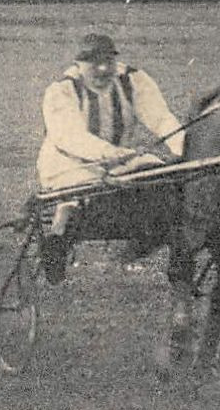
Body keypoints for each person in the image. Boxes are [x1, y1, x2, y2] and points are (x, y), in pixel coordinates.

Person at [35, 33, 185, 282]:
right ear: (79, 65)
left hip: (120, 161)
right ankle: (57, 241)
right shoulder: (62, 90)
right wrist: (111, 154)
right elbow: (70, 137)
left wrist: (185, 148)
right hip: (69, 163)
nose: (103, 69)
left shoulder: (132, 81)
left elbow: (162, 120)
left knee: (160, 175)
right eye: (95, 64)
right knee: (79, 190)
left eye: (108, 62)